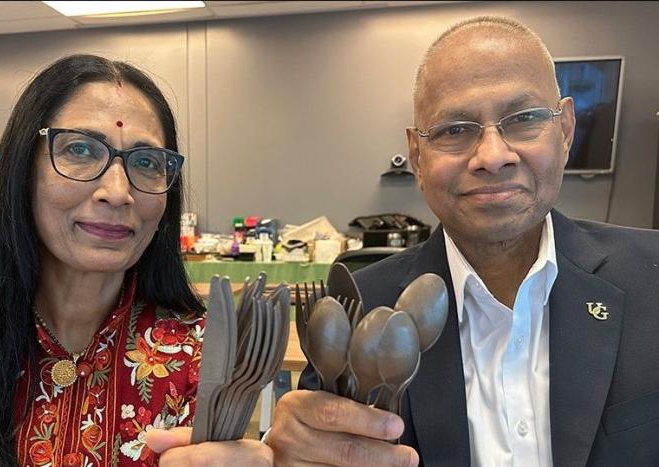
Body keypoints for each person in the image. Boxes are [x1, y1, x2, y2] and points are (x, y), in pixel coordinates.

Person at [267, 16, 659, 466]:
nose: (492, 157)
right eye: (455, 129)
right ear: (416, 155)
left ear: (566, 130)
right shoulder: (359, 308)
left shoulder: (652, 276)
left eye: (524, 119)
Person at [0, 54, 272, 466]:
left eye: (146, 162)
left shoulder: (202, 354)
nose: (117, 191)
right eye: (79, 149)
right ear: (23, 169)